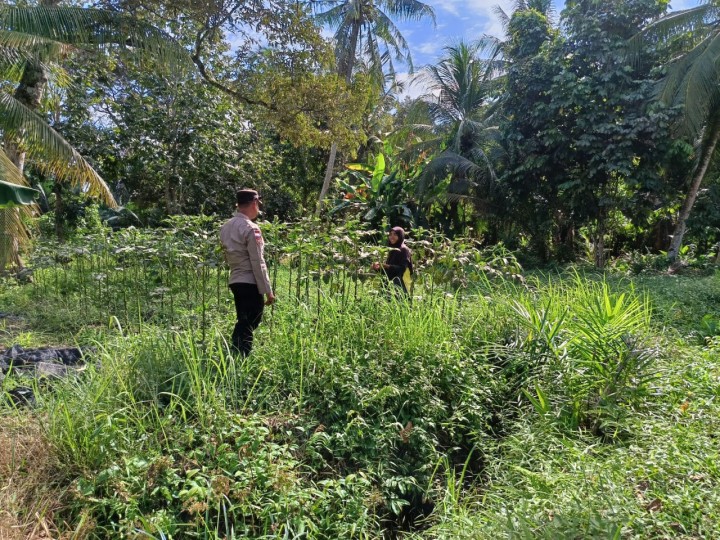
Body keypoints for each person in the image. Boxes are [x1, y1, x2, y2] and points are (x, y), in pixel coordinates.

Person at [220, 189, 276, 356]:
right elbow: (258, 262)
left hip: (235, 280)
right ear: (254, 203)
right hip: (250, 281)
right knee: (251, 320)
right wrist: (268, 291)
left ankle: (236, 352)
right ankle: (240, 354)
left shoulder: (225, 227)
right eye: (258, 204)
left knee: (244, 319)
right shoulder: (251, 229)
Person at [372, 226, 413, 295]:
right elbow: (388, 271)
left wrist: (387, 266)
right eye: (390, 234)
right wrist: (377, 267)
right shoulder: (392, 249)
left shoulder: (403, 249)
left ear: (400, 236)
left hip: (400, 285)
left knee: (400, 303)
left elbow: (402, 269)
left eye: (395, 234)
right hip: (389, 284)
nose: (392, 236)